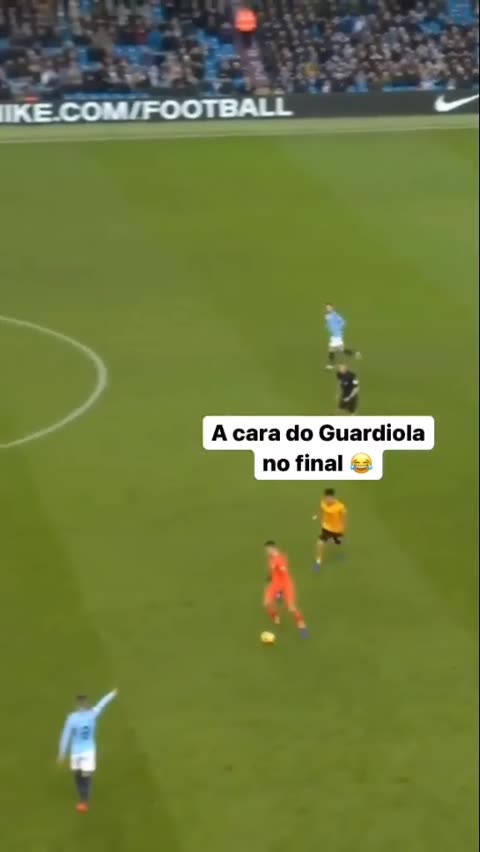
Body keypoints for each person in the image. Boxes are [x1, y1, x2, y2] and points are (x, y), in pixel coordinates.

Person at [58, 689, 118, 812]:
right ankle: (84, 800)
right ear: (86, 704)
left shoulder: (72, 718)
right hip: (88, 751)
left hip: (76, 753)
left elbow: (66, 736)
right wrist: (112, 694)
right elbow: (102, 704)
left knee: (78, 776)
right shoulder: (92, 714)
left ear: (77, 705)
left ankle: (83, 800)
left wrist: (62, 753)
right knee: (86, 776)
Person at [263, 541, 307, 635]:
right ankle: (276, 617)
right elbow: (272, 571)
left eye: (268, 549)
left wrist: (280, 592)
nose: (267, 551)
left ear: (273, 548)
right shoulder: (271, 559)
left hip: (286, 585)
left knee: (291, 607)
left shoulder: (281, 559)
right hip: (275, 585)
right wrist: (270, 577)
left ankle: (302, 625)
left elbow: (284, 570)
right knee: (266, 603)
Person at [313, 488, 347, 569]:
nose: (327, 500)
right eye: (326, 498)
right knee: (319, 544)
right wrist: (317, 515)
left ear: (334, 497)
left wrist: (343, 527)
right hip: (326, 528)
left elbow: (344, 517)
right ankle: (318, 562)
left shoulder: (340, 507)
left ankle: (339, 553)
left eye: (329, 498)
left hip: (337, 530)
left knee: (338, 543)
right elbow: (322, 510)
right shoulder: (323, 503)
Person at [325, 303, 361, 369]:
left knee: (333, 350)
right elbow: (329, 324)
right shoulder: (327, 316)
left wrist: (338, 328)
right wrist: (328, 326)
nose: (328, 309)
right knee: (338, 350)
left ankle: (331, 364)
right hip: (333, 336)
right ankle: (355, 353)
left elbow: (343, 322)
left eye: (329, 307)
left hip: (337, 335)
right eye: (327, 308)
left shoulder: (335, 315)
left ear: (332, 307)